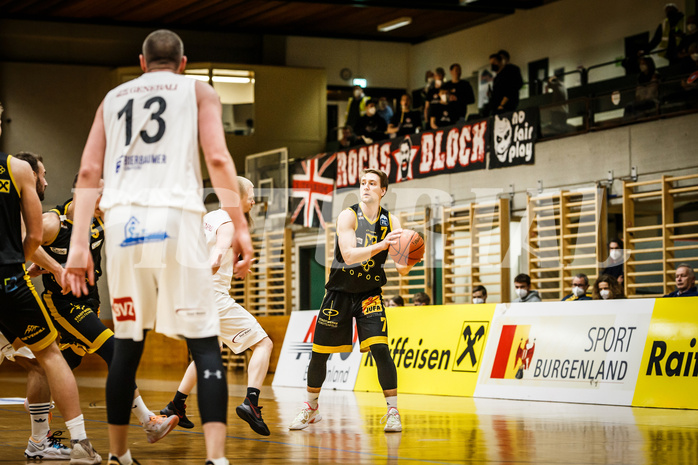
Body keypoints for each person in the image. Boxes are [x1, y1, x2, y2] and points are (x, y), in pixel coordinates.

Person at [64, 30, 253, 465]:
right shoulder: (197, 90)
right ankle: (216, 457)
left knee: (128, 345)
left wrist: (78, 246)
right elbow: (219, 160)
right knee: (205, 345)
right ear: (183, 62)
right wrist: (239, 226)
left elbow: (89, 170)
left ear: (142, 62)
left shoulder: (113, 98)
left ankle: (118, 455)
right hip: (178, 221)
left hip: (126, 227)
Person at [23, 166, 176, 445]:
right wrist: (50, 267)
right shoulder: (54, 222)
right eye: (103, 193)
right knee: (115, 350)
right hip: (64, 304)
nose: (108, 199)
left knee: (69, 359)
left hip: (91, 301)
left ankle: (39, 399)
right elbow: (27, 242)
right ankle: (148, 421)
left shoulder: (102, 220)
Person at [0, 103, 101, 463]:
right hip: (8, 279)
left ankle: (39, 443)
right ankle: (80, 443)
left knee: (39, 363)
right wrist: (37, 265)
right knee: (49, 356)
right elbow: (33, 236)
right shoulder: (16, 168)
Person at [288, 169, 418, 433]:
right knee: (319, 355)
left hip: (370, 294)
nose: (366, 187)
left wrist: (412, 255)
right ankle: (311, 407)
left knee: (381, 349)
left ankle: (393, 411)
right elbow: (348, 255)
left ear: (383, 190)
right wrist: (382, 246)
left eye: (372, 183)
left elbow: (401, 268)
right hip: (339, 293)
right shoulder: (349, 215)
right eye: (363, 183)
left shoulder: (391, 221)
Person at [161, 176, 273, 436]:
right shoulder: (228, 224)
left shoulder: (209, 217)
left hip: (191, 294)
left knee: (211, 350)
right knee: (263, 343)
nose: (254, 199)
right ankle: (251, 403)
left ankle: (176, 405)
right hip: (211, 296)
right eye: (251, 194)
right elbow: (216, 256)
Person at [488, 51, 524, 115]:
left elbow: (513, 87)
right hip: (497, 107)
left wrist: (502, 104)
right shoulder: (497, 78)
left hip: (507, 106)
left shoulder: (512, 70)